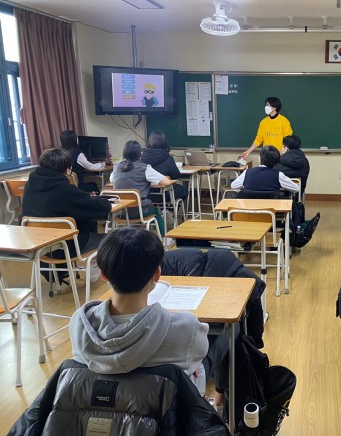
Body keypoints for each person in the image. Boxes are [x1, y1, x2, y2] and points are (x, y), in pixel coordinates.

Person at [69, 227, 218, 399]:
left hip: (100, 405)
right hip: (167, 410)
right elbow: (198, 354)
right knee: (219, 344)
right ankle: (222, 401)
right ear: (157, 274)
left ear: (103, 274)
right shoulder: (186, 327)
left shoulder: (79, 323)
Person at [21, 147, 111, 281]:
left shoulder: (29, 186)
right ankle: (98, 274)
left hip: (38, 246)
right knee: (110, 238)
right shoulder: (64, 190)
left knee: (84, 222)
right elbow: (103, 207)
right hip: (64, 248)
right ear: (68, 169)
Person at [110, 140, 177, 236]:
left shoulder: (117, 167)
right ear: (140, 154)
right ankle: (165, 238)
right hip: (141, 211)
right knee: (156, 211)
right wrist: (149, 183)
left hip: (121, 212)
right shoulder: (145, 168)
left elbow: (112, 180)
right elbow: (166, 182)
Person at [141, 129, 188, 202]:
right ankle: (171, 209)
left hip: (145, 194)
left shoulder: (141, 158)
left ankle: (159, 208)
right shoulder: (168, 158)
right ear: (164, 143)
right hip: (164, 195)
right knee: (184, 191)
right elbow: (176, 175)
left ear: (149, 142)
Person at [231, 145, 300, 194]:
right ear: (276, 161)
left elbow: (233, 186)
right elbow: (296, 189)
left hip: (249, 209)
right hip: (271, 210)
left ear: (260, 159)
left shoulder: (247, 172)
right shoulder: (278, 175)